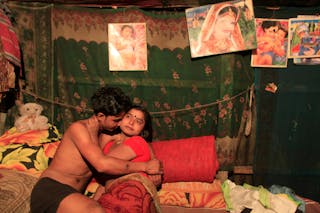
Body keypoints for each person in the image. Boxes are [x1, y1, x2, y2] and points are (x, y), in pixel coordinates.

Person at [30, 86, 163, 213]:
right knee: (96, 210)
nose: (119, 124)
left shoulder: (108, 133)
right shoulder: (79, 129)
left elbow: (141, 143)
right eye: (116, 120)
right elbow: (101, 164)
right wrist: (144, 166)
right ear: (100, 116)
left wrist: (154, 163)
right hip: (52, 189)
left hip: (71, 196)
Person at [92, 104, 160, 201]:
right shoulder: (109, 144)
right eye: (128, 116)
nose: (131, 122)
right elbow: (104, 180)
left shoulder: (138, 141)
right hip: (112, 193)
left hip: (131, 194)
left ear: (143, 129)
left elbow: (102, 164)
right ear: (119, 120)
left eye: (139, 121)